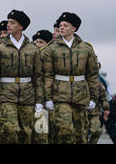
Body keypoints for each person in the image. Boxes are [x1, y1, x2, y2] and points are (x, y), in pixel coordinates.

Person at [0, 10, 44, 144]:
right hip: (6, 95)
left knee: (26, 132)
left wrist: (40, 100)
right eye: (8, 22)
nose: (8, 25)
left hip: (27, 96)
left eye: (12, 23)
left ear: (21, 26)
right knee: (10, 129)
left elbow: (38, 76)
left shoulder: (33, 49)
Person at [42, 12, 99, 144]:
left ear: (74, 28)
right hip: (59, 95)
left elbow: (92, 75)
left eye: (65, 25)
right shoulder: (51, 49)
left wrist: (94, 98)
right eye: (60, 25)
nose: (61, 28)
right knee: (65, 130)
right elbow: (48, 75)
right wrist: (48, 98)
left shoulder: (86, 49)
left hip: (81, 96)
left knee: (80, 134)